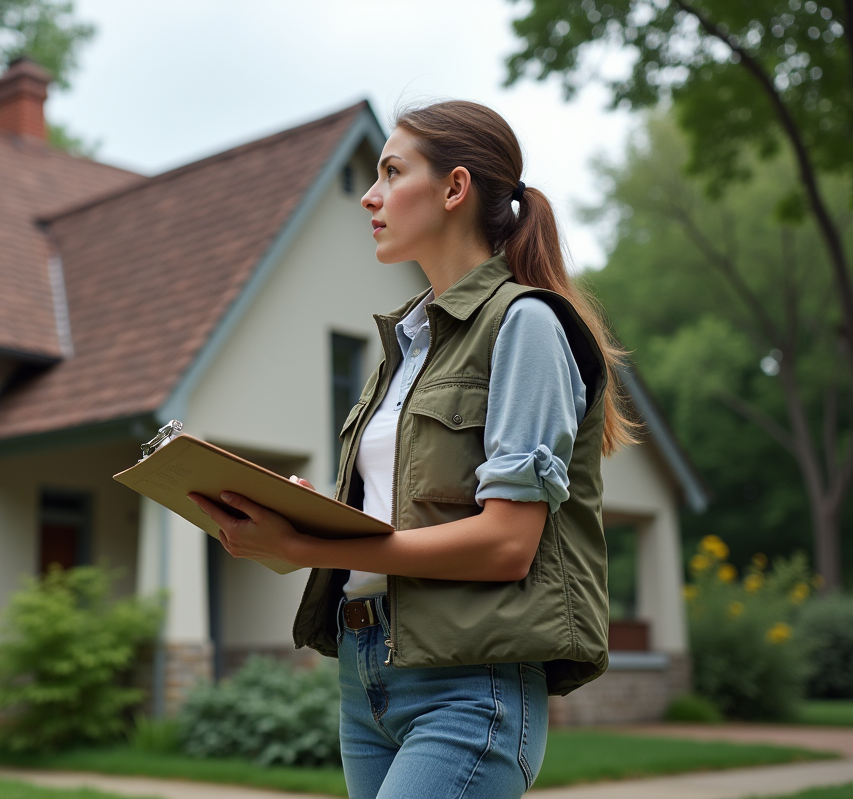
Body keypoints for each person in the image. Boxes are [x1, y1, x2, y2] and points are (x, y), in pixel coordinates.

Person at [187, 100, 635, 799]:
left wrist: (319, 549)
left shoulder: (526, 326)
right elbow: (403, 522)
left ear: (454, 189)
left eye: (392, 173)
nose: (370, 196)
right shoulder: (405, 350)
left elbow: (505, 543)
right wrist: (305, 524)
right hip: (366, 671)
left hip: (469, 682)